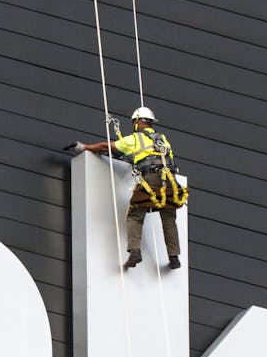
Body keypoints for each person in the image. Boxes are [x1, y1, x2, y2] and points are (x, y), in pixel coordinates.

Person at [68, 106, 187, 271]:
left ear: (138, 121)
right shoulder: (163, 139)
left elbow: (107, 146)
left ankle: (135, 251)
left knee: (135, 214)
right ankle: (174, 257)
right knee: (168, 219)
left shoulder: (135, 139)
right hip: (170, 180)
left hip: (150, 178)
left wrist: (85, 147)